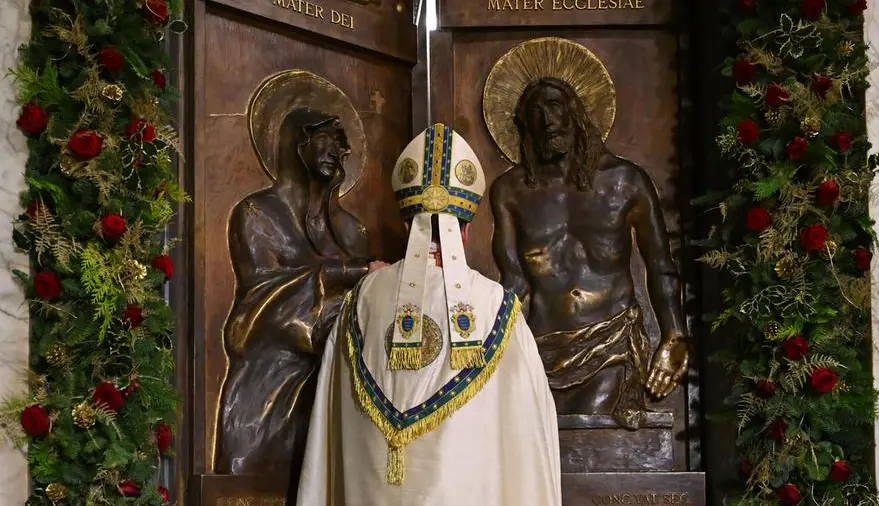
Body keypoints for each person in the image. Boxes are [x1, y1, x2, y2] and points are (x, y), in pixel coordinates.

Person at [296, 123, 561, 506]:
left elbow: (330, 424)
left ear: (407, 226)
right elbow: (529, 435)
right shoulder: (496, 306)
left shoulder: (362, 299)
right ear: (466, 230)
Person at [491, 77, 689, 428]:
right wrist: (490, 351)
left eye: (554, 107)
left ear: (576, 114)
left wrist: (674, 335)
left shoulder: (626, 181)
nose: (547, 120)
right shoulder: (511, 191)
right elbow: (514, 282)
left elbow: (660, 266)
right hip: (539, 346)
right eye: (535, 112)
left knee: (591, 433)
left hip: (611, 342)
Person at [216, 109, 384, 474]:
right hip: (269, 388)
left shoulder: (352, 231)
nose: (340, 150)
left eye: (343, 142)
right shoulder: (258, 214)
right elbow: (262, 305)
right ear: (296, 141)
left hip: (337, 390)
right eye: (327, 137)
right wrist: (353, 272)